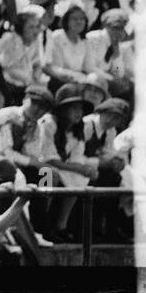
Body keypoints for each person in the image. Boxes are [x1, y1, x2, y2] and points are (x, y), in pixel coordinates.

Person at [36, 84, 99, 241]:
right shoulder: (48, 123)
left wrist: (83, 168)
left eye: (80, 108)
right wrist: (78, 167)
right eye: (73, 108)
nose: (78, 113)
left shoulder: (77, 128)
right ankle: (42, 225)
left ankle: (61, 225)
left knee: (80, 177)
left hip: (60, 165)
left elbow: (76, 157)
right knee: (49, 174)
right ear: (62, 109)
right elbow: (47, 157)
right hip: (37, 165)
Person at [43, 1, 98, 93]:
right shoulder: (58, 37)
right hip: (61, 78)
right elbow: (56, 66)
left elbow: (91, 68)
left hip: (86, 77)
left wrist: (112, 77)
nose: (79, 22)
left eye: (82, 19)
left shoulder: (85, 41)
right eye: (74, 18)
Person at [0, 10, 49, 103]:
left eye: (37, 27)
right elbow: (10, 68)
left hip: (27, 83)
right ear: (21, 28)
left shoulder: (35, 41)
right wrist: (30, 82)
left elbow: (37, 63)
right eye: (31, 27)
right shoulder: (10, 39)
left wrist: (36, 76)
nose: (35, 31)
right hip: (9, 83)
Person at [86, 8, 135, 100]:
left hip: (106, 78)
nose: (119, 32)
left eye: (122, 28)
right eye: (116, 28)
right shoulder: (94, 38)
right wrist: (111, 79)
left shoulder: (119, 46)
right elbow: (90, 67)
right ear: (107, 26)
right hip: (92, 76)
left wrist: (117, 57)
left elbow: (117, 73)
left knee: (127, 87)